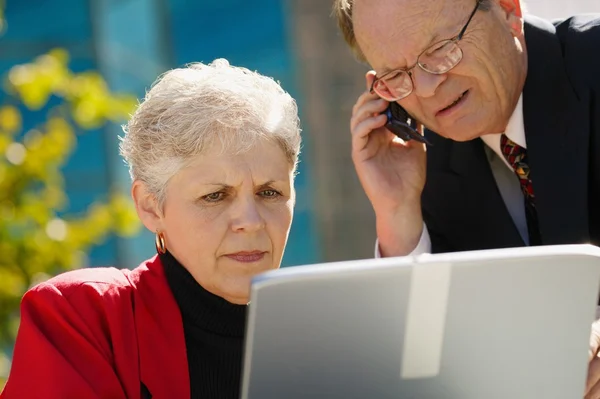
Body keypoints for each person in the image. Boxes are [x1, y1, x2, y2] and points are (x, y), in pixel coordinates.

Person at [332, 0, 600, 396]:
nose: (426, 89)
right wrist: (398, 214)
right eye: (396, 76)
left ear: (508, 9)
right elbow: (425, 371)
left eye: (440, 50)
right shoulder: (419, 157)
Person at [0, 59, 301, 399]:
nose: (251, 220)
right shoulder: (82, 317)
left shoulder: (336, 332)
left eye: (269, 192)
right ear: (150, 206)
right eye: (215, 196)